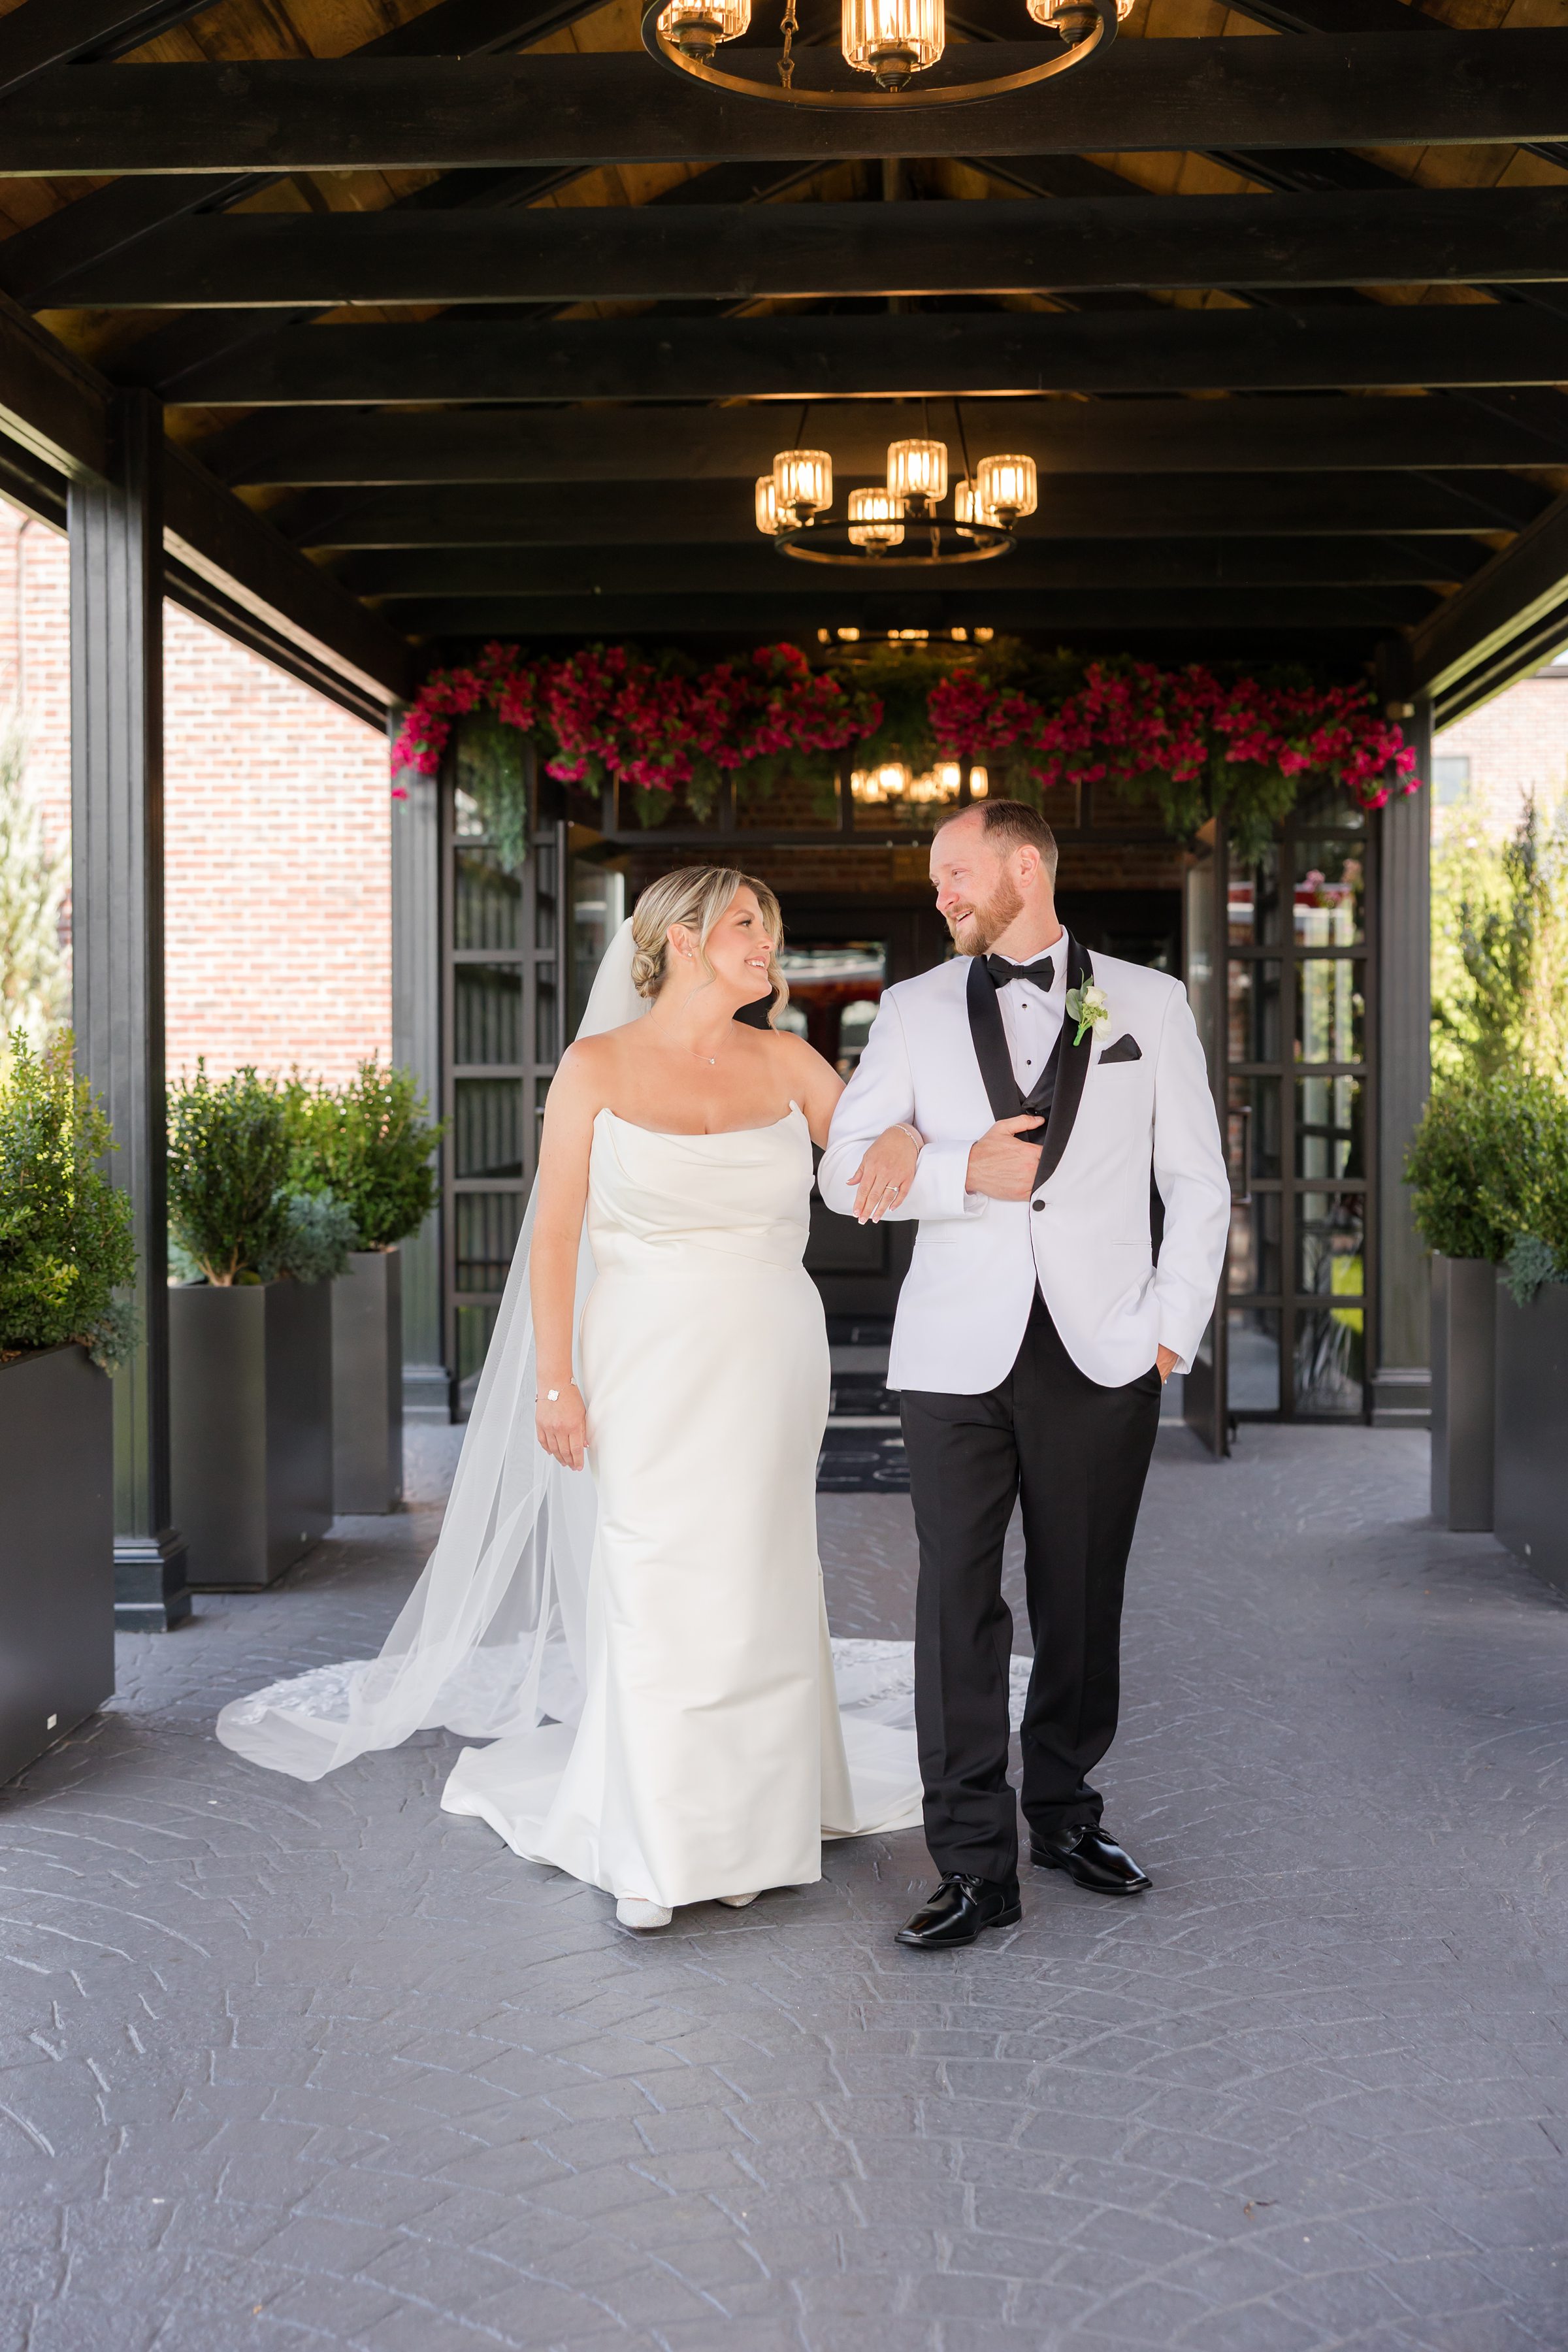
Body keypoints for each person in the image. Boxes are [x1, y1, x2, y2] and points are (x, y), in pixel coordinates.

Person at [218, 867, 924, 1933]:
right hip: (639, 1354)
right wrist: (558, 1380)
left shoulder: (791, 1061)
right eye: (747, 927)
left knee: (761, 1566)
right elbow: (553, 1239)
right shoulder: (594, 1067)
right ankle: (656, 1838)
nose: (767, 947)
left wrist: (907, 1134)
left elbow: (881, 1158)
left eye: (770, 930)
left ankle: (761, 1814)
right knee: (652, 1569)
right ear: (683, 939)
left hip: (773, 1353)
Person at [818, 800, 1230, 1951]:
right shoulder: (906, 1010)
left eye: (955, 870)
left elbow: (1198, 1183)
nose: (938, 893)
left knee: (1080, 1595)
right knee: (956, 1599)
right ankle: (972, 1862)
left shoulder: (1149, 1002)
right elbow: (841, 1172)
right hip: (954, 1355)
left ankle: (1062, 1809)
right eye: (936, 878)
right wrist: (955, 1170)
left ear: (1025, 864)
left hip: (1105, 1346)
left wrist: (1169, 1332)